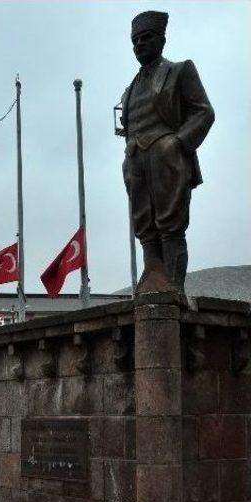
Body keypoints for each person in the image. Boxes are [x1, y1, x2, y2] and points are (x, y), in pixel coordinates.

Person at [120, 10, 214, 293]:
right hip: (136, 160)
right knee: (145, 228)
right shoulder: (129, 89)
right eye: (135, 40)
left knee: (170, 226)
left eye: (146, 38)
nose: (139, 44)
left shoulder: (179, 71)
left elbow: (203, 112)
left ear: (161, 39)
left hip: (168, 158)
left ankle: (173, 288)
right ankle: (152, 283)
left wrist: (177, 143)